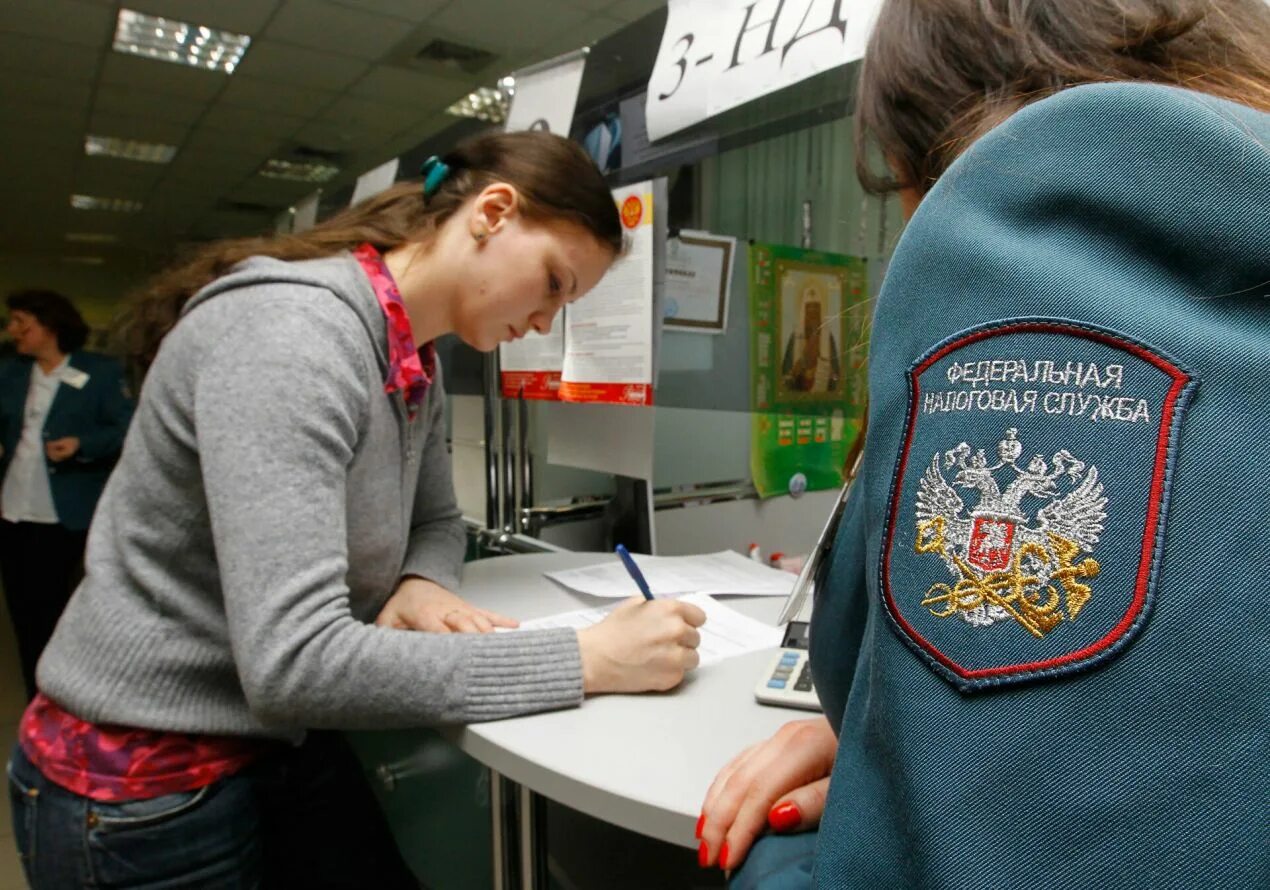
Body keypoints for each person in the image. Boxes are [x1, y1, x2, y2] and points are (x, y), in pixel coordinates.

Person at [6, 130, 707, 889]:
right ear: (493, 212)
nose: (545, 324)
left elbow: (436, 522)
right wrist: (583, 661)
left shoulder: (412, 357)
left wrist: (420, 582)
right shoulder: (295, 337)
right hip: (145, 783)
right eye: (551, 284)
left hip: (267, 742)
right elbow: (293, 662)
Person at [697, 1, 1270, 887]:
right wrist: (907, 739)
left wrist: (787, 852)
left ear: (932, 149)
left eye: (900, 189)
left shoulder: (1035, 236)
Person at [0, 290, 133, 700]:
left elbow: (126, 429)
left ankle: (65, 695)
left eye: (22, 322)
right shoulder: (10, 373)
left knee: (56, 611)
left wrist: (82, 444)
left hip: (66, 514)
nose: (13, 331)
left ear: (50, 325)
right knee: (23, 613)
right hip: (12, 511)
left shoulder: (99, 373)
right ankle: (36, 699)